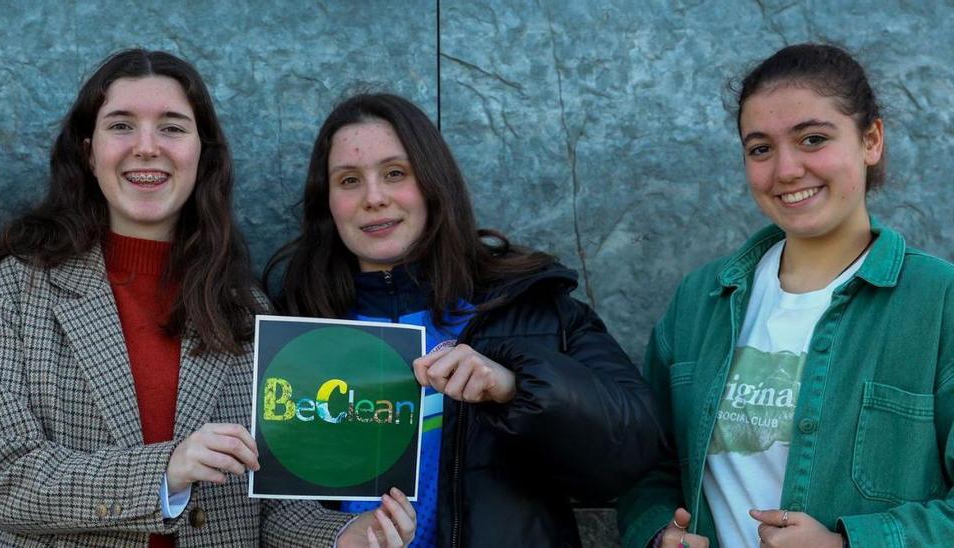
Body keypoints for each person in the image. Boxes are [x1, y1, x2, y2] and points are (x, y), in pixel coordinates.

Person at [0, 49, 414, 547]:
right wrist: (166, 469)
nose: (148, 147)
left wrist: (347, 534)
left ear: (203, 154)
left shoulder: (247, 308)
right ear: (89, 153)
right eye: (121, 126)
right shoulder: (14, 294)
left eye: (172, 128)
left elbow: (271, 507)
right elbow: (0, 476)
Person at [264, 93, 661, 547]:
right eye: (349, 180)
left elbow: (636, 448)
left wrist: (517, 387)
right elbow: (266, 507)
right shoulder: (293, 326)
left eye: (396, 173)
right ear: (327, 202)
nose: (373, 198)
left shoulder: (525, 305)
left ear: (434, 184)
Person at [618, 43, 954, 548]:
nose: (787, 170)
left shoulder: (940, 303)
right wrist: (659, 533)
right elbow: (647, 464)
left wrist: (849, 544)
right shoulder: (700, 301)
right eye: (760, 149)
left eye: (813, 139)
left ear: (871, 140)